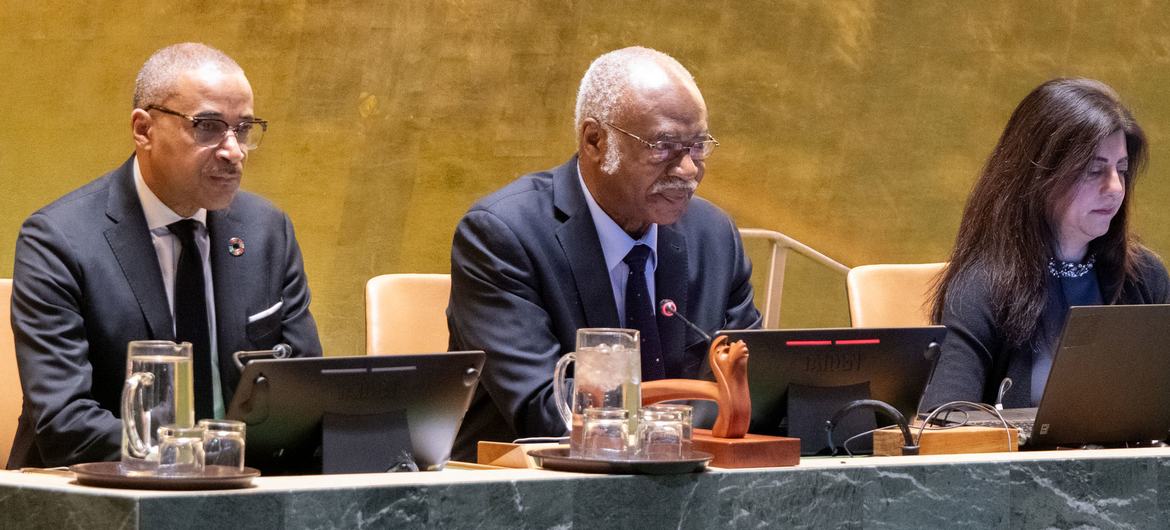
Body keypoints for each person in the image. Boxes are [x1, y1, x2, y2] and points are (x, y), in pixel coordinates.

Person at [8, 43, 322, 468]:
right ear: (144, 130)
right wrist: (197, 454)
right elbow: (66, 424)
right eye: (209, 126)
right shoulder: (58, 240)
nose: (234, 151)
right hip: (98, 493)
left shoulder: (268, 231)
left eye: (243, 128)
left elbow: (306, 394)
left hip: (246, 492)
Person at [447, 46, 761, 459]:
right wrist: (681, 429)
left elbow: (750, 388)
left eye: (698, 146)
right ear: (596, 140)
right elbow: (547, 413)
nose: (688, 169)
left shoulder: (714, 236)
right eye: (663, 146)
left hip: (688, 493)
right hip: (532, 495)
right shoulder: (503, 235)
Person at [921, 78, 1169, 410]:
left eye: (1121, 170)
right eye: (1095, 171)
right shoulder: (982, 286)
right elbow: (944, 419)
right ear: (1039, 177)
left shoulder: (1146, 277)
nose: (1115, 188)